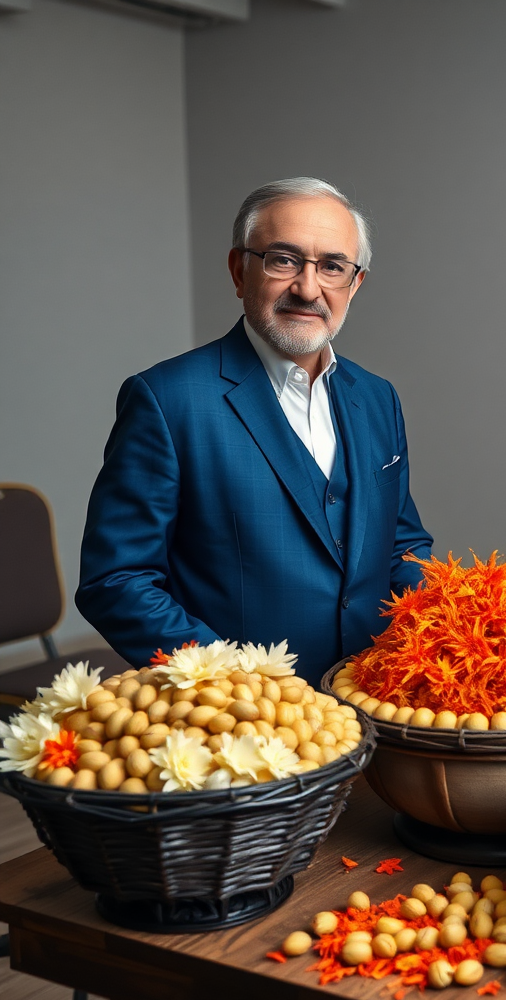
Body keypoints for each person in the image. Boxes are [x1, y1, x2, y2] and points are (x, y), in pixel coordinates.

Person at [76, 177, 433, 683]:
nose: (308, 288)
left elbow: (402, 548)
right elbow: (116, 580)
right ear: (239, 271)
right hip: (244, 726)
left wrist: (446, 640)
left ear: (354, 284)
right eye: (283, 260)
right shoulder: (167, 399)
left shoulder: (378, 398)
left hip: (377, 700)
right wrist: (233, 684)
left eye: (332, 267)